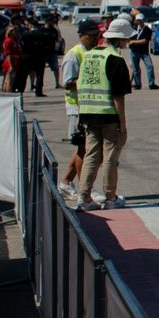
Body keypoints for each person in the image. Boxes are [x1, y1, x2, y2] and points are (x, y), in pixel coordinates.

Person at [75, 17, 136, 209]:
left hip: (87, 112)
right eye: (126, 39)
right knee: (111, 156)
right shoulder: (115, 60)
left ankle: (83, 197)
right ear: (119, 39)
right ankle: (110, 197)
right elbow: (119, 96)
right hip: (108, 114)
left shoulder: (89, 55)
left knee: (91, 155)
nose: (127, 42)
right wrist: (123, 123)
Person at [59, 23, 91, 198]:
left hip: (87, 106)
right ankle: (84, 189)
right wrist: (87, 80)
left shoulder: (89, 52)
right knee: (83, 148)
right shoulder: (73, 55)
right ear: (82, 36)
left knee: (83, 148)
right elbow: (67, 82)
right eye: (91, 35)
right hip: (76, 107)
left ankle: (65, 182)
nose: (95, 38)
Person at [126, 12, 156, 90]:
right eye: (137, 20)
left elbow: (145, 41)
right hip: (134, 51)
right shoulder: (133, 29)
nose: (139, 22)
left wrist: (133, 42)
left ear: (143, 20)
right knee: (135, 69)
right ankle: (137, 84)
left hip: (144, 52)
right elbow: (129, 38)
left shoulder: (147, 30)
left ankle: (151, 84)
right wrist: (129, 41)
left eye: (140, 20)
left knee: (149, 66)